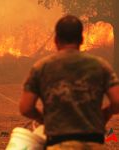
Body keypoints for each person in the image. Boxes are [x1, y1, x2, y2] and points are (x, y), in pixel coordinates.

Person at [20, 15, 119, 150]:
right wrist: (105, 114)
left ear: (56, 40)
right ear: (81, 39)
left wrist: (44, 120)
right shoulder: (100, 66)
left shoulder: (41, 67)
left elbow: (25, 108)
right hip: (94, 143)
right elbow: (117, 101)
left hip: (58, 143)